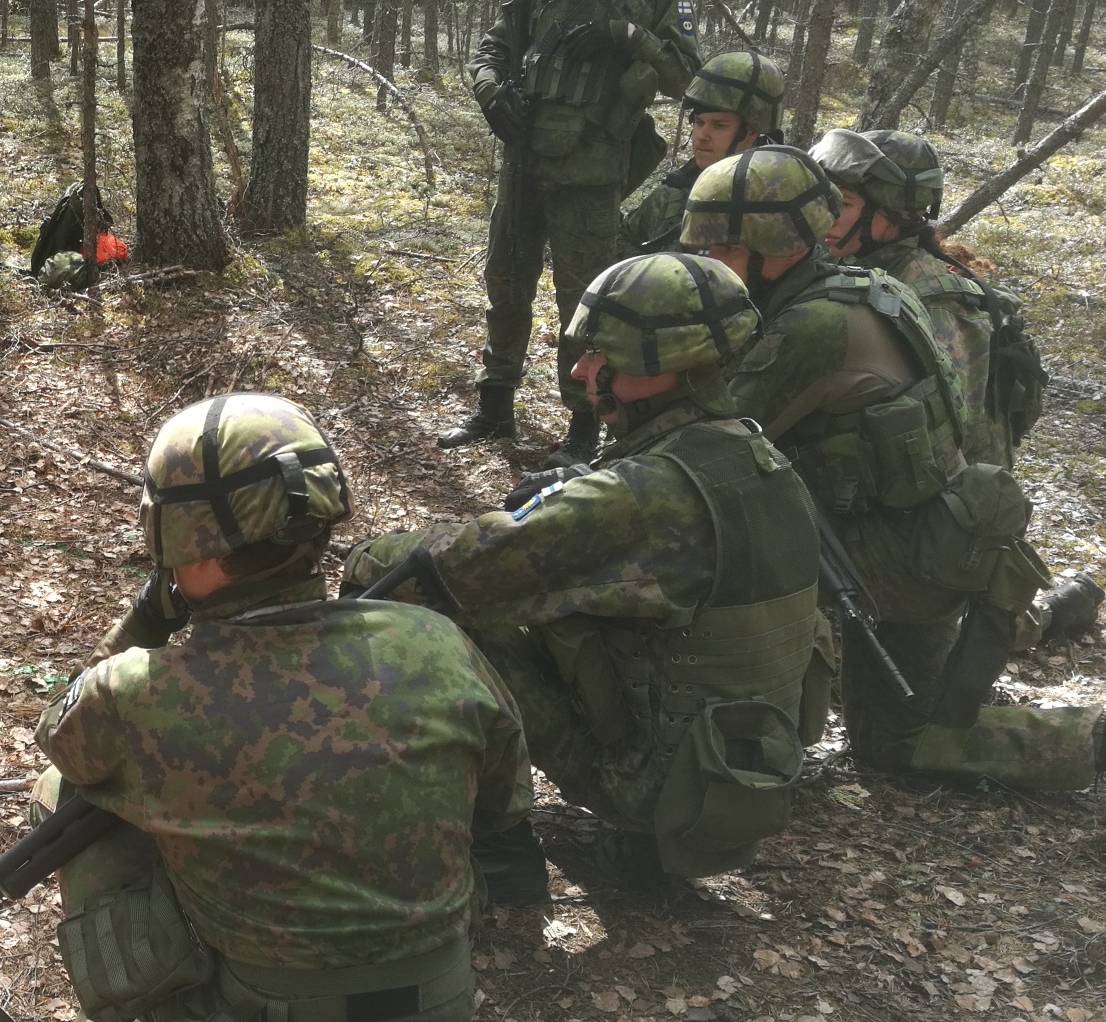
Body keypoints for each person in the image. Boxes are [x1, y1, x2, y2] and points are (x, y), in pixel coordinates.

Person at [32, 393, 533, 1022]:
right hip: (431, 1021)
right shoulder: (434, 642)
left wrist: (151, 616)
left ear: (179, 543)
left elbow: (64, 743)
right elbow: (498, 813)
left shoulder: (138, 691)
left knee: (70, 803)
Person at [347, 254, 825, 892]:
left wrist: (361, 559)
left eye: (600, 353)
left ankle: (499, 846)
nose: (579, 370)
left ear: (661, 363)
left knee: (418, 603)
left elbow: (452, 566)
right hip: (744, 775)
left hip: (651, 787)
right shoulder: (759, 458)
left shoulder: (644, 494)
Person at [680, 148, 1104, 788]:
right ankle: (1056, 614)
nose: (711, 267)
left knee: (710, 551)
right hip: (916, 538)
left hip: (902, 556)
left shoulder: (824, 319)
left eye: (725, 250)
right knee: (897, 741)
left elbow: (705, 445)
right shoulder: (861, 286)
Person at [448, 0, 700, 464]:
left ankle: (583, 424)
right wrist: (489, 93)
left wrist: (626, 35)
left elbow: (688, 75)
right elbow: (492, 47)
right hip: (525, 158)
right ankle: (495, 403)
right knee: (506, 282)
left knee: (582, 300)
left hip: (591, 169)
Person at [619, 51, 783, 256]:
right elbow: (623, 239)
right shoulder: (675, 191)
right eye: (699, 122)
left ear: (751, 131)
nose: (701, 136)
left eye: (719, 125)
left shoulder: (780, 205)